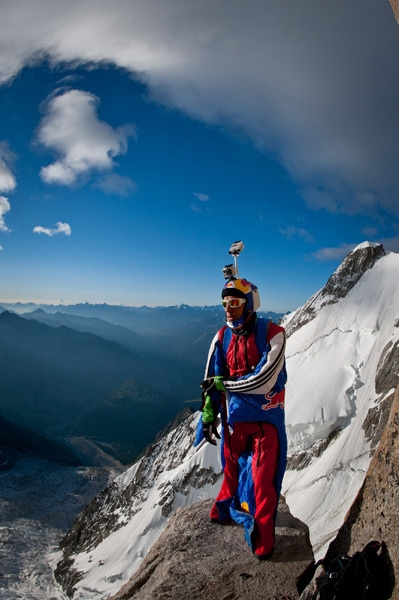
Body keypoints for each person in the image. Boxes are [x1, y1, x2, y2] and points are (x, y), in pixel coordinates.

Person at [196, 276, 287, 560]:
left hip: (265, 424)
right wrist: (208, 413)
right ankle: (225, 506)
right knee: (232, 470)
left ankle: (263, 539)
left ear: (249, 304)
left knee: (262, 480)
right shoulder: (222, 337)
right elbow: (211, 378)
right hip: (235, 421)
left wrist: (226, 386)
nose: (228, 309)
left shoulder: (274, 334)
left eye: (234, 303)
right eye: (225, 303)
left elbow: (264, 381)